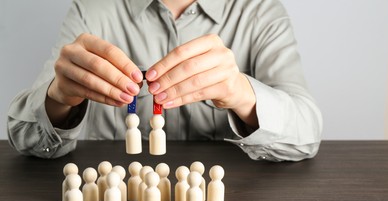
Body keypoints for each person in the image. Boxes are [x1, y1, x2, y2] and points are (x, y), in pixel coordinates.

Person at [7, 0, 323, 161]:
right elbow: (27, 139)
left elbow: (306, 133)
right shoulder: (92, 10)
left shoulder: (259, 13)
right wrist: (59, 99)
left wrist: (241, 94)